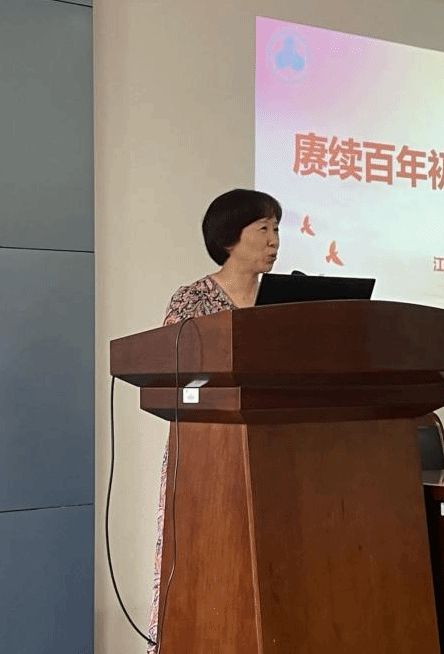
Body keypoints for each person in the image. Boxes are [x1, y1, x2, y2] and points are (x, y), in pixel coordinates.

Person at [148, 188, 281, 651]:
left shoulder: (285, 305)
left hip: (275, 452)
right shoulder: (192, 301)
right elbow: (170, 373)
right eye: (262, 229)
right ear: (229, 238)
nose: (274, 240)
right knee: (207, 562)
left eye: (276, 229)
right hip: (207, 456)